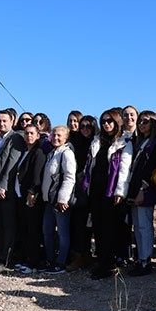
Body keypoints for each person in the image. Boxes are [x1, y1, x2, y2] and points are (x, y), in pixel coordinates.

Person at [88, 109, 133, 279]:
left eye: (110, 121)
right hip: (96, 188)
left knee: (109, 228)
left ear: (116, 122)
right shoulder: (97, 141)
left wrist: (120, 191)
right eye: (104, 121)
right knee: (98, 227)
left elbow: (124, 169)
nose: (106, 124)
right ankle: (101, 261)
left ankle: (109, 264)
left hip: (111, 190)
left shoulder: (124, 142)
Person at [125, 111, 156, 276]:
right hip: (135, 190)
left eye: (146, 121)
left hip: (145, 191)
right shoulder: (141, 142)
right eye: (140, 121)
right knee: (138, 227)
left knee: (144, 226)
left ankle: (146, 261)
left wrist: (142, 189)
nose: (142, 124)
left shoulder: (155, 144)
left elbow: (151, 169)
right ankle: (141, 259)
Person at [0, 109, 27, 269]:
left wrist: (3, 186)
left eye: (5, 121)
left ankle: (6, 258)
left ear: (12, 121)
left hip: (6, 190)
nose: (1, 123)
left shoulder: (15, 139)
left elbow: (11, 165)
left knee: (8, 225)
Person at [40, 126, 77, 274]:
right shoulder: (52, 153)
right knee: (47, 231)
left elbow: (70, 176)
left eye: (59, 135)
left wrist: (63, 199)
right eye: (53, 135)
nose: (55, 138)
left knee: (62, 232)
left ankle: (61, 262)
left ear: (66, 138)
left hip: (60, 200)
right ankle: (50, 259)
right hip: (49, 200)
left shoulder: (66, 153)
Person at [14, 124, 46, 273]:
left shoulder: (38, 152)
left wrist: (32, 191)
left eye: (32, 133)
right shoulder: (25, 152)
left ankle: (32, 262)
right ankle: (25, 259)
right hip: (21, 195)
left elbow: (37, 175)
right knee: (25, 228)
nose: (29, 136)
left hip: (32, 196)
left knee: (33, 230)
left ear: (38, 136)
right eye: (26, 133)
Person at [67, 115, 96, 271]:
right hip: (77, 187)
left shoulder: (96, 142)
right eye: (82, 126)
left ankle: (87, 255)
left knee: (89, 225)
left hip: (93, 188)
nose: (85, 129)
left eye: (88, 126)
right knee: (78, 223)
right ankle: (78, 256)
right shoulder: (75, 142)